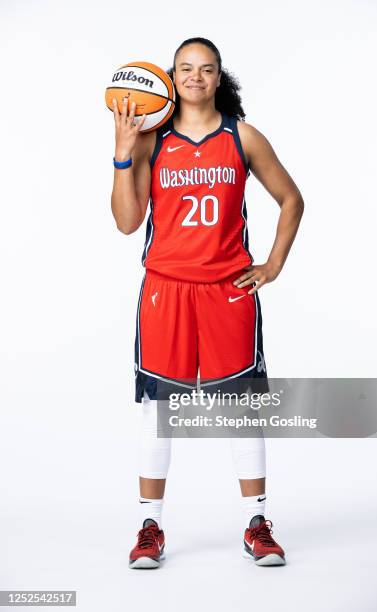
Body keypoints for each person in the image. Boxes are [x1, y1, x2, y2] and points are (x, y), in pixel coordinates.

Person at [110, 37, 304, 569]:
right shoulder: (152, 138)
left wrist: (272, 264)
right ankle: (150, 525)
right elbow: (128, 222)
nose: (196, 76)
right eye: (186, 68)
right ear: (171, 77)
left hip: (227, 288)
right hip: (165, 287)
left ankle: (257, 523)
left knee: (241, 408)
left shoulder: (242, 137)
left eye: (207, 68)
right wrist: (123, 151)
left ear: (220, 77)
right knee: (160, 410)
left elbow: (292, 199)